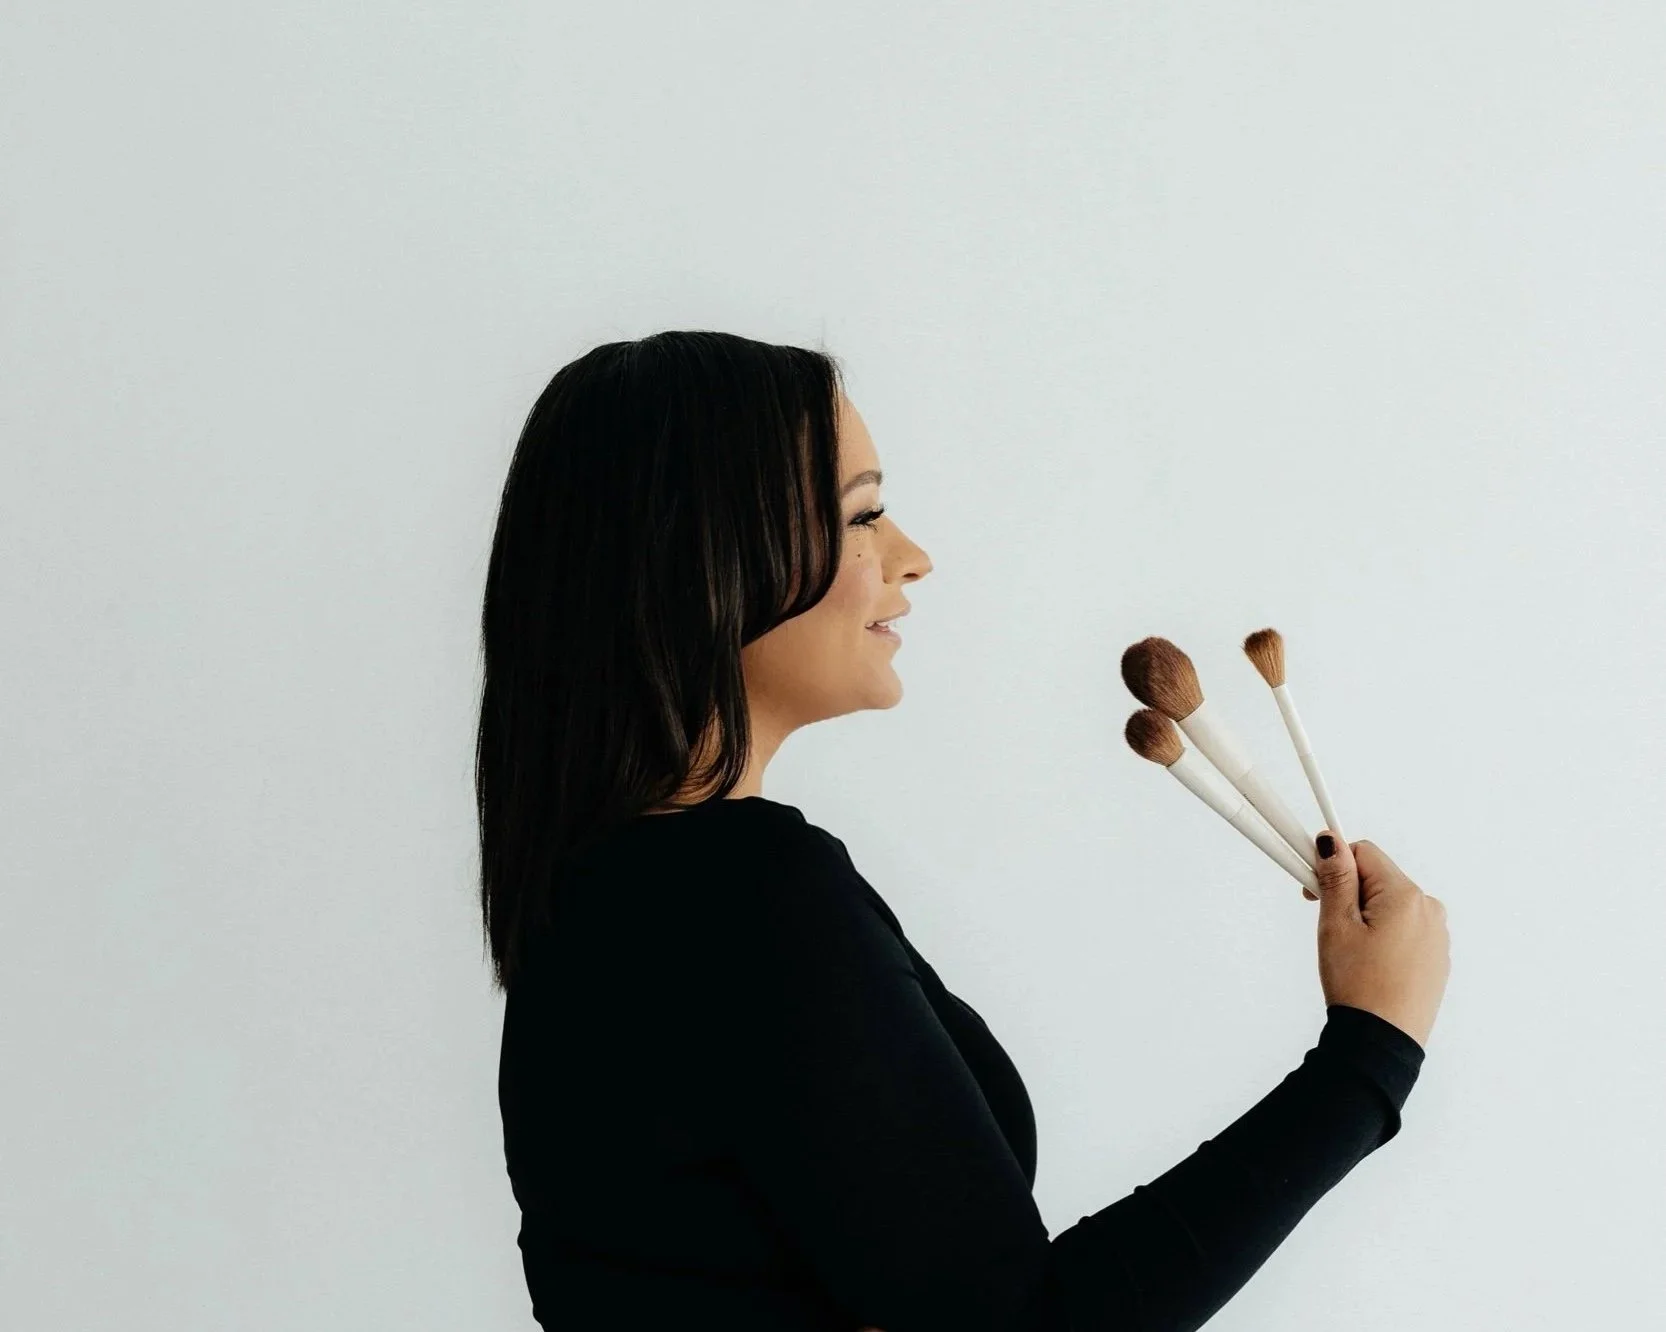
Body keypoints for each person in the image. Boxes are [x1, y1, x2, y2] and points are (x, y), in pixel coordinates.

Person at [476, 330, 1451, 1330]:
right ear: (709, 558)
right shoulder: (742, 897)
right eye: (864, 513)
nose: (912, 557)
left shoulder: (595, 896)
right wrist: (1368, 1057)